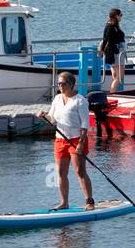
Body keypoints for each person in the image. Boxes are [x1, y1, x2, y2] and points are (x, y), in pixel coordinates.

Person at [38, 72, 95, 211]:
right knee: (61, 173)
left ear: (70, 84)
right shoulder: (57, 99)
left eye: (63, 83)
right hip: (60, 140)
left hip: (76, 140)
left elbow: (84, 124)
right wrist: (44, 115)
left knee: (80, 171)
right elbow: (52, 118)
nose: (60, 86)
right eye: (58, 83)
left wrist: (81, 143)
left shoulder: (80, 101)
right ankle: (64, 202)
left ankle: (90, 202)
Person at [98, 8, 125, 93]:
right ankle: (112, 93)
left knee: (115, 76)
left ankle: (113, 92)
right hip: (114, 53)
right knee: (119, 76)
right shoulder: (110, 26)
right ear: (116, 16)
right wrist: (101, 51)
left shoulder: (114, 25)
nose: (121, 17)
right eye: (120, 15)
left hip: (114, 52)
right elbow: (105, 39)